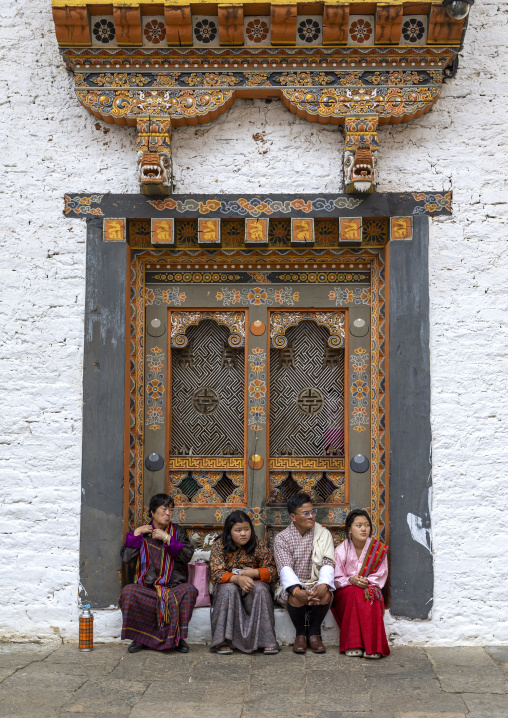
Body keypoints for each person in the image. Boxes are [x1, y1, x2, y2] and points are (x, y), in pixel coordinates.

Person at [119, 493, 198, 654]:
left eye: (171, 510)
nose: (168, 513)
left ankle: (178, 638)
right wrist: (135, 534)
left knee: (189, 591)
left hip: (172, 589)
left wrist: (168, 538)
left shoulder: (178, 532)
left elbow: (187, 555)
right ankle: (139, 638)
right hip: (147, 589)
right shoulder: (142, 533)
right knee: (128, 592)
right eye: (164, 509)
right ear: (153, 512)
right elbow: (127, 558)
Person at [209, 510, 279, 655]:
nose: (243, 534)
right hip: (228, 586)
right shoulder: (218, 545)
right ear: (229, 531)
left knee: (260, 589)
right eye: (238, 530)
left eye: (247, 529)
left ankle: (266, 641)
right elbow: (216, 572)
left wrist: (254, 573)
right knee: (229, 589)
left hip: (252, 585)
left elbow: (273, 570)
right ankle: (222, 640)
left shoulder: (257, 544)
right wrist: (237, 579)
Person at [273, 493, 335, 654]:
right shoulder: (282, 539)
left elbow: (328, 562)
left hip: (316, 582)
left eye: (313, 512)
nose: (311, 517)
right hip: (293, 584)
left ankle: (314, 633)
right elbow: (284, 567)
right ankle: (300, 634)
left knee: (326, 595)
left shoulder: (323, 534)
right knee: (294, 596)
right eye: (306, 513)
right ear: (293, 516)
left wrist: (323, 584)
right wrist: (296, 590)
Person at [331, 508, 390, 658]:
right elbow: (336, 579)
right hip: (346, 590)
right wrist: (350, 580)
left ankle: (374, 647)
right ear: (349, 529)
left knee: (370, 596)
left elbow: (381, 573)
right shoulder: (341, 550)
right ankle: (353, 643)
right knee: (353, 592)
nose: (364, 529)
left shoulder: (377, 549)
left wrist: (366, 581)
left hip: (369, 587)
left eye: (367, 525)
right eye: (358, 525)